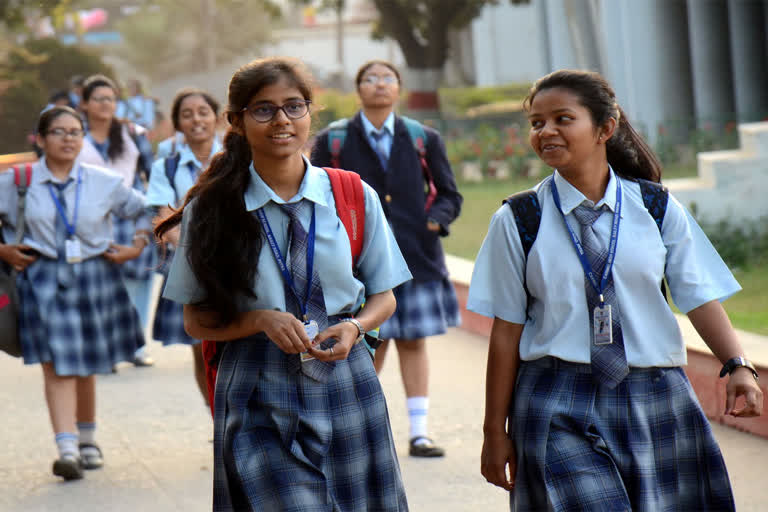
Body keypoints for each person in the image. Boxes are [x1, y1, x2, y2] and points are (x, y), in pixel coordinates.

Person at [468, 69, 764, 510]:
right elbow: (506, 333)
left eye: (562, 119)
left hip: (656, 392)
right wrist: (495, 431)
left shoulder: (656, 207)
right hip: (555, 398)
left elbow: (699, 296)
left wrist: (737, 365)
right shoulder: (519, 219)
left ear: (605, 128)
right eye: (536, 123)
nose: (546, 131)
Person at [155, 57, 411, 511]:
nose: (281, 121)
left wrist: (355, 327)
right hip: (256, 386)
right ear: (236, 121)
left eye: (294, 107)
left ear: (311, 113)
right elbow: (195, 321)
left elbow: (383, 296)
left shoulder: (351, 195)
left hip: (345, 378)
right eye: (263, 110)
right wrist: (259, 319)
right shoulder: (213, 210)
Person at [311, 60, 463, 457]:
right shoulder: (335, 139)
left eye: (387, 78)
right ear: (357, 88)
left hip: (416, 260)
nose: (379, 85)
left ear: (399, 87)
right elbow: (316, 193)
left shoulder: (422, 138)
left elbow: (449, 193)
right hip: (356, 266)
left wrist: (433, 223)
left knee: (413, 344)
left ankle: (419, 433)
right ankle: (364, 433)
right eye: (369, 78)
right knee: (364, 347)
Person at [0, 106, 149, 480]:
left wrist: (137, 245)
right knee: (57, 363)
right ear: (40, 139)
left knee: (84, 364)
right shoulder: (17, 180)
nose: (68, 139)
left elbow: (146, 211)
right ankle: (66, 449)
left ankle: (87, 440)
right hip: (41, 277)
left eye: (75, 132)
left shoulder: (103, 181)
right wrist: (1, 249)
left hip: (94, 275)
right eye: (59, 132)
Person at [146, 87, 222, 406]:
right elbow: (165, 218)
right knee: (202, 351)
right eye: (187, 114)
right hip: (190, 269)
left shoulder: (238, 160)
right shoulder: (167, 167)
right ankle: (218, 421)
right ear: (177, 123)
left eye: (203, 112)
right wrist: (198, 257)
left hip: (237, 267)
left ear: (217, 119)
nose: (196, 120)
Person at [78, 74, 157, 367]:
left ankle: (135, 346)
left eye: (110, 98)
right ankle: (105, 347)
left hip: (132, 216)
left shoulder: (132, 134)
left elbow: (151, 174)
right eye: (98, 98)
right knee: (99, 285)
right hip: (91, 219)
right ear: (84, 103)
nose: (105, 104)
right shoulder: (76, 135)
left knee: (137, 282)